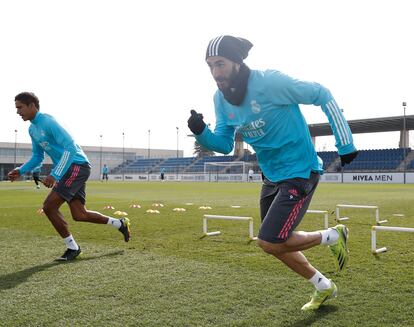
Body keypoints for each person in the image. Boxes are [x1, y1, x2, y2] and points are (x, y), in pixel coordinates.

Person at [187, 35, 358, 311]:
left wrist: (345, 143)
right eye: (210, 65)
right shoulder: (221, 98)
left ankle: (334, 236)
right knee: (276, 244)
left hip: (300, 172)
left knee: (268, 241)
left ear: (237, 61)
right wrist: (201, 133)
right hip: (270, 177)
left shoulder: (270, 82)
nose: (215, 72)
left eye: (220, 63)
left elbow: (321, 93)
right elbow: (224, 143)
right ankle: (323, 286)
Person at [8, 92, 131, 261]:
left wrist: (55, 174)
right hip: (69, 168)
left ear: (32, 106)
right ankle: (120, 223)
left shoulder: (49, 122)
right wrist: (20, 170)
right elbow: (38, 156)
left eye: (20, 107)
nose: (17, 112)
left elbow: (71, 148)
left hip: (77, 165)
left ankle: (73, 248)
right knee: (80, 214)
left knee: (49, 206)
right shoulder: (32, 129)